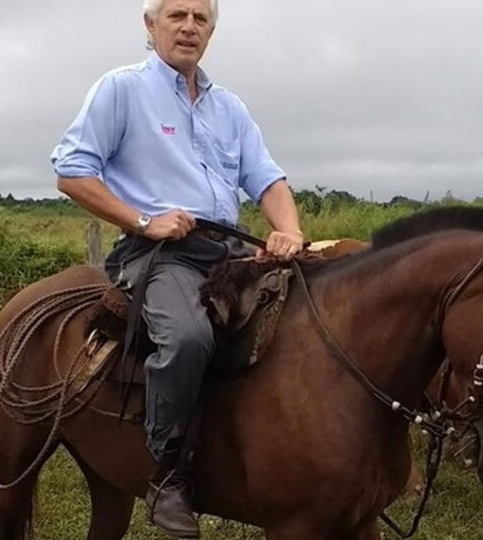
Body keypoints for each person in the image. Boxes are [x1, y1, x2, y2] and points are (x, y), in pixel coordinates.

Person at [50, 0, 303, 536]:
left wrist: (289, 231)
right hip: (157, 254)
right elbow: (72, 172)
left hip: (229, 253)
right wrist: (145, 219)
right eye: (176, 15)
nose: (189, 26)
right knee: (188, 337)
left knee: (312, 315)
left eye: (200, 18)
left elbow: (270, 182)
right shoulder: (122, 90)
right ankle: (167, 473)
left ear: (211, 32)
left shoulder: (229, 107)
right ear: (150, 25)